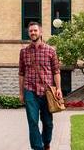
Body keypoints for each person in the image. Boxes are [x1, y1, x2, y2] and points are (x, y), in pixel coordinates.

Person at [19, 21, 62, 150]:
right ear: (29, 33)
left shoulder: (50, 51)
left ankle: (46, 143)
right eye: (31, 31)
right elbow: (21, 73)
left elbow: (56, 71)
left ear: (40, 32)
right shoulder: (24, 52)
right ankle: (38, 147)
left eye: (35, 30)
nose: (33, 33)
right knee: (32, 122)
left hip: (47, 92)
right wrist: (21, 93)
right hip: (30, 90)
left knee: (48, 123)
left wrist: (58, 88)